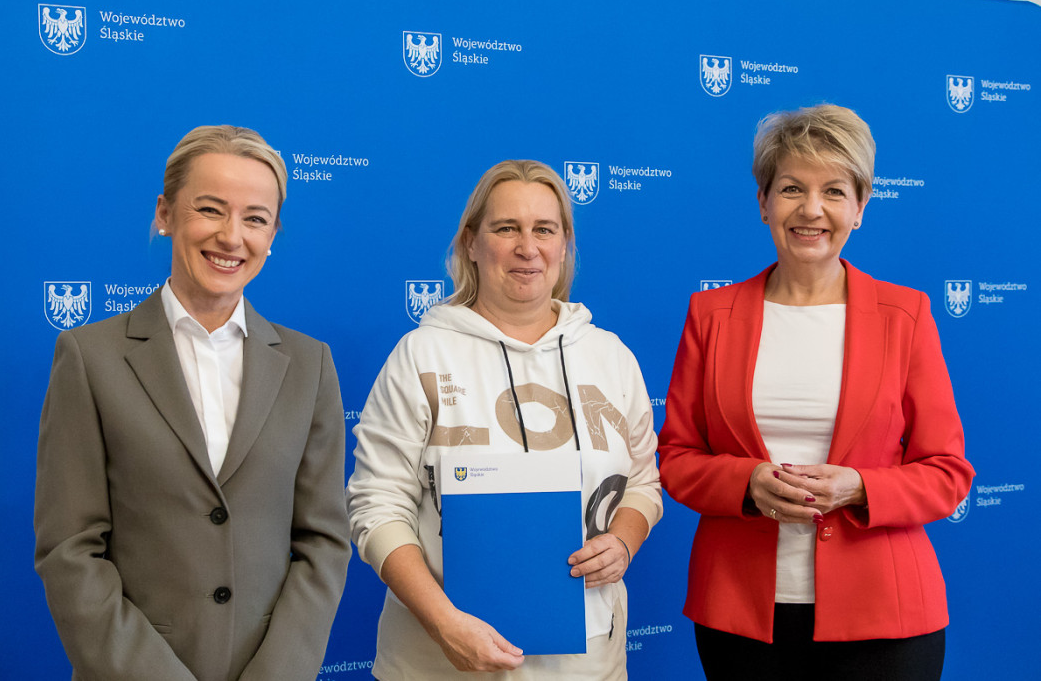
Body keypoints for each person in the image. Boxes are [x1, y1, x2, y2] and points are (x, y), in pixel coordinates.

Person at [658, 105, 974, 681]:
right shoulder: (711, 315)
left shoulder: (906, 316)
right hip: (740, 616)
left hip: (886, 616)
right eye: (791, 189)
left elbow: (947, 472)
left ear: (860, 207)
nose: (811, 209)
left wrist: (861, 487)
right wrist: (746, 483)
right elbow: (677, 459)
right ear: (763, 202)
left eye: (833, 191)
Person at [34, 125, 351, 681]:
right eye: (210, 210)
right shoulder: (89, 357)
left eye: (255, 218)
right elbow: (70, 549)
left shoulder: (310, 365)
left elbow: (323, 543)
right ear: (165, 213)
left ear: (272, 234)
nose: (232, 237)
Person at [346, 159, 662, 679]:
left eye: (545, 229)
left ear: (565, 245)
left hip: (586, 663)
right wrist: (444, 624)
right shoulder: (421, 355)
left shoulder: (610, 357)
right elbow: (377, 506)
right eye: (507, 228)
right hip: (437, 661)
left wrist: (623, 542)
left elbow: (643, 484)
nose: (527, 247)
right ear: (471, 242)